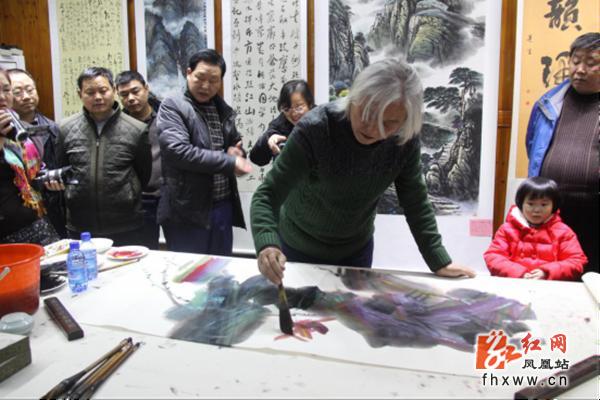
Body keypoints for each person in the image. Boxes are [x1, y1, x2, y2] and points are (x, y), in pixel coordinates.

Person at [250, 58, 475, 285]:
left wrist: (438, 260)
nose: (373, 129)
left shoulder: (403, 139)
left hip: (355, 251)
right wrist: (267, 244)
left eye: (389, 123)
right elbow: (266, 195)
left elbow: (415, 200)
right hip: (298, 247)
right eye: (367, 114)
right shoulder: (316, 129)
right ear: (354, 98)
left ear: (405, 121)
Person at [156, 49, 252, 255]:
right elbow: (178, 151)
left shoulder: (222, 108)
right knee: (190, 270)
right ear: (188, 72)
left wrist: (237, 153)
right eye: (200, 77)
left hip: (222, 205)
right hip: (187, 209)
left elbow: (233, 145)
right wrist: (228, 162)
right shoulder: (172, 105)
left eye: (213, 80)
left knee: (221, 267)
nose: (206, 86)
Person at [50, 67, 151, 246]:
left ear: (113, 90)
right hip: (80, 224)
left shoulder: (136, 129)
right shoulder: (65, 128)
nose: (97, 97)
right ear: (80, 94)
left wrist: (127, 194)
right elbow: (62, 168)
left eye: (103, 90)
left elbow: (143, 173)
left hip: (126, 224)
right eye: (90, 92)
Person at [526, 32, 599, 274]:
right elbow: (533, 147)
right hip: (550, 213)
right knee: (548, 275)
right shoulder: (548, 103)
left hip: (594, 215)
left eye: (591, 63)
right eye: (575, 61)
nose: (580, 70)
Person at [484, 177, 586, 281]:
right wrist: (518, 273)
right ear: (521, 204)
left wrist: (547, 272)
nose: (537, 210)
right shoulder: (506, 229)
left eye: (544, 204)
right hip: (513, 284)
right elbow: (493, 256)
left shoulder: (564, 232)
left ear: (553, 206)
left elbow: (577, 261)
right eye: (530, 204)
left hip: (550, 287)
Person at [0, 68, 59, 245]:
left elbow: (32, 178)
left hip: (36, 223)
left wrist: (49, 182)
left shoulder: (19, 129)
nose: (2, 97)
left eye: (6, 89)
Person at [116, 70, 162, 249]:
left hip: (169, 196)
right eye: (124, 94)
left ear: (146, 89)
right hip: (139, 200)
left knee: (180, 248)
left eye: (135, 91)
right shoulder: (118, 125)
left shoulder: (166, 117)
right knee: (145, 249)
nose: (131, 98)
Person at [249, 79, 314, 166]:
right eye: (287, 109)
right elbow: (256, 159)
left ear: (310, 104)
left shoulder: (323, 121)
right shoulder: (280, 125)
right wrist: (268, 140)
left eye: (299, 108)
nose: (293, 114)